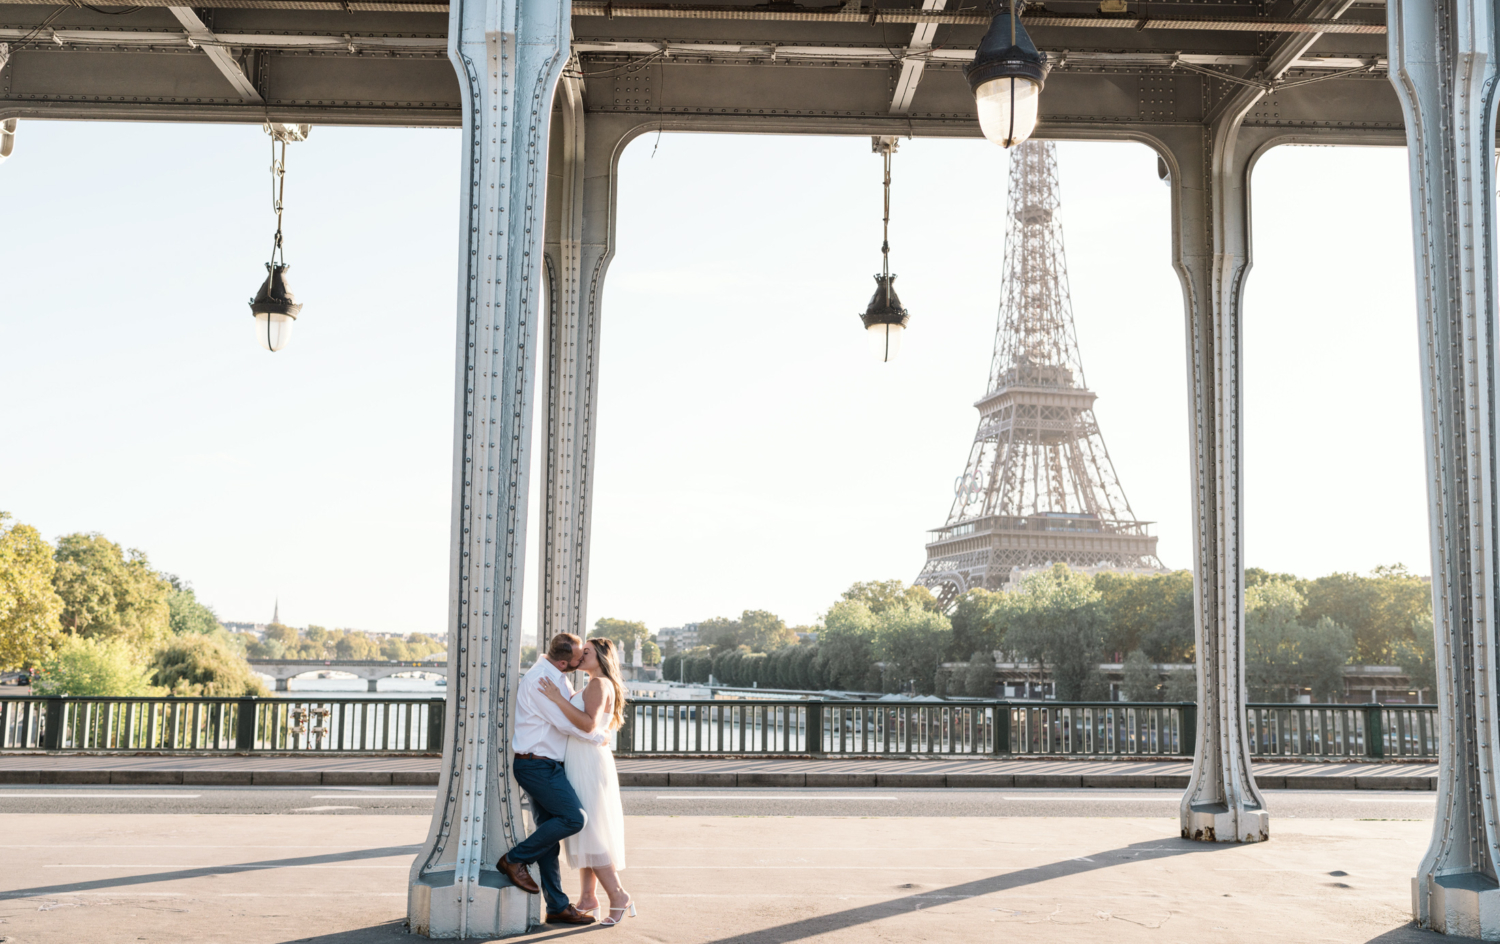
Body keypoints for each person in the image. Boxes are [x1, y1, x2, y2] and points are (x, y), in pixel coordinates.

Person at [495, 633, 608, 926]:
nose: (580, 660)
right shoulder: (540, 681)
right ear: (562, 661)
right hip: (536, 766)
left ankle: (557, 906)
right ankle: (515, 859)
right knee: (574, 818)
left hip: (547, 764)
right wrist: (599, 737)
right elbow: (563, 721)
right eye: (577, 658)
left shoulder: (556, 674)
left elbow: (566, 710)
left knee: (550, 838)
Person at [537, 636, 637, 927]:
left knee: (590, 829)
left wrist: (556, 698)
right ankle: (587, 899)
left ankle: (618, 895)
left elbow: (588, 723)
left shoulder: (597, 684)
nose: (580, 656)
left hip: (587, 762)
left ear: (601, 657)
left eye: (587, 652)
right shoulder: (598, 683)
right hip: (587, 758)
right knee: (587, 828)